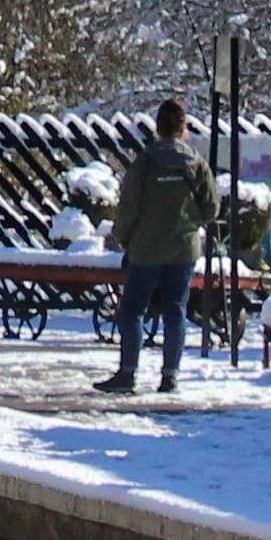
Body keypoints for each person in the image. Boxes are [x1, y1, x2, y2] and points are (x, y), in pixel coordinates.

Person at [93, 100, 216, 395]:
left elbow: (128, 208)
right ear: (183, 129)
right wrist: (190, 223)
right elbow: (212, 208)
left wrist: (125, 238)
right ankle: (170, 375)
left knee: (133, 310)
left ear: (157, 128)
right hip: (183, 248)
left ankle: (128, 372)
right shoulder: (197, 163)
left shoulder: (144, 163)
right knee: (176, 310)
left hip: (146, 249)